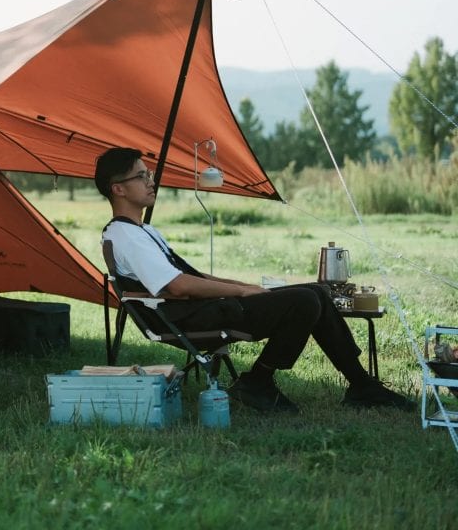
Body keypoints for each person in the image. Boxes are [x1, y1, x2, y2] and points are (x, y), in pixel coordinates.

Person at [94, 146, 410, 414]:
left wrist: (243, 287)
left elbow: (192, 276)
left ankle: (361, 384)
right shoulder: (125, 236)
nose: (151, 182)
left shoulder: (143, 231)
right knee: (305, 300)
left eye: (148, 174)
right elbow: (176, 286)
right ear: (117, 188)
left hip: (201, 307)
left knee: (317, 291)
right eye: (141, 176)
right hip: (186, 317)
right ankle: (259, 380)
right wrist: (241, 292)